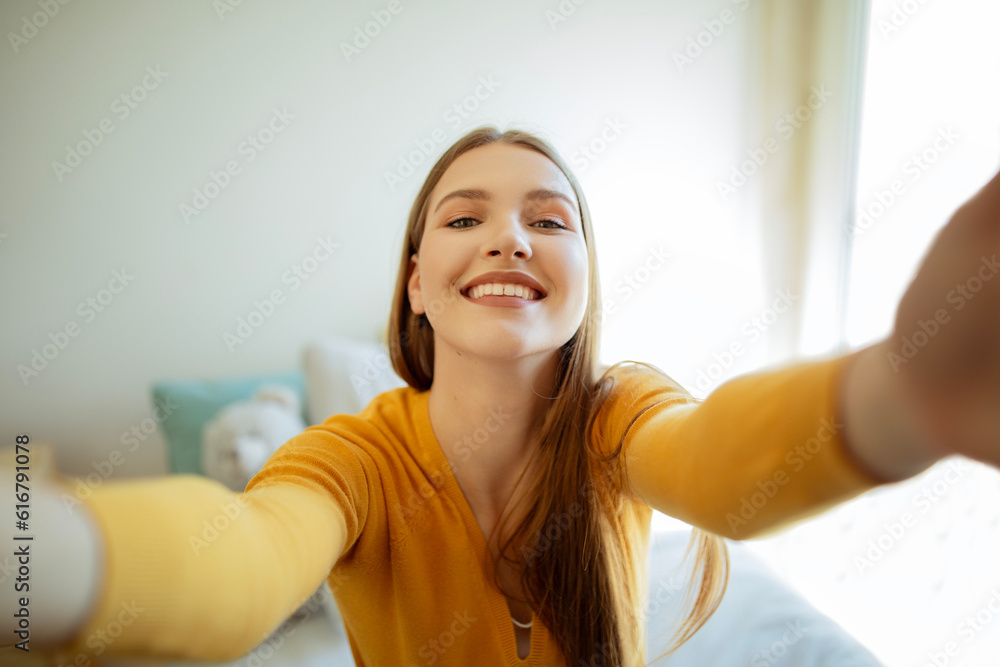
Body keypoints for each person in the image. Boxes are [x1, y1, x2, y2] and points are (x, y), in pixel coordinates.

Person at [3, 125, 998, 666]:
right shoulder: (352, 458)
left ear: (583, 283)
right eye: (464, 215)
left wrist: (899, 395)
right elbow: (243, 560)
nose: (509, 236)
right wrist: (35, 554)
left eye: (548, 219)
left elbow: (719, 466)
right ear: (417, 283)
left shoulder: (618, 414)